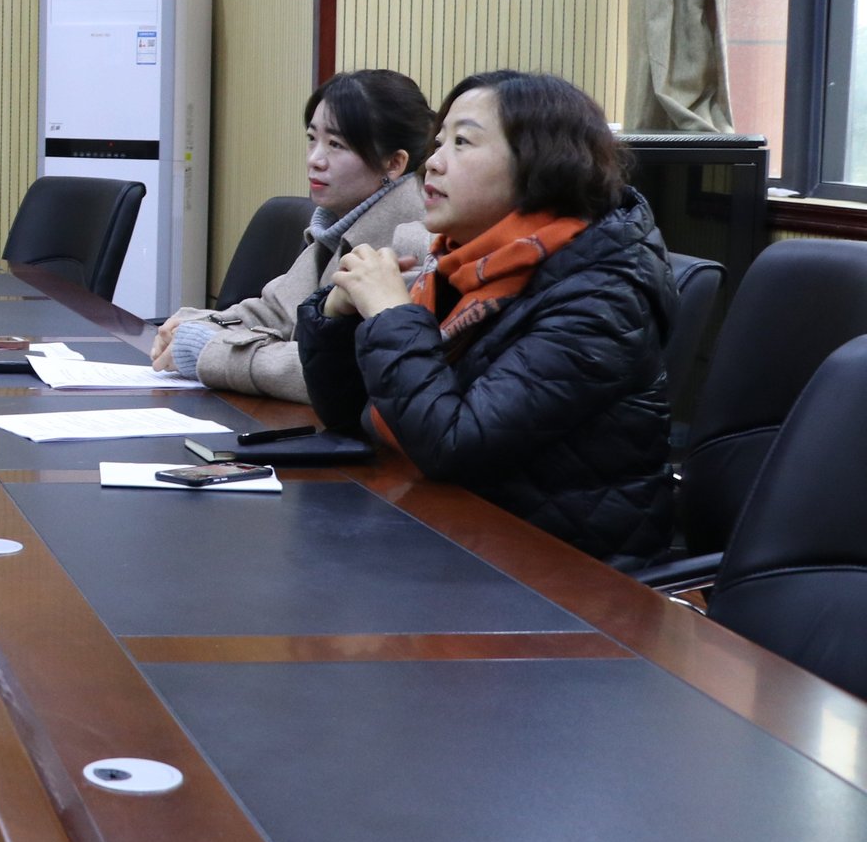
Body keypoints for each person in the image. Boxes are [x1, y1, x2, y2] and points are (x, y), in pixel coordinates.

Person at [296, 70, 673, 560]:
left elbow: (453, 445)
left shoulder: (602, 298)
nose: (433, 163)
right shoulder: (463, 264)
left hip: (561, 569)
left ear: (539, 164)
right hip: (451, 532)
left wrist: (390, 314)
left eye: (462, 143)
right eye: (438, 143)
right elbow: (353, 418)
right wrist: (337, 318)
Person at [150, 69, 434, 402]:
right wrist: (195, 323)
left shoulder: (415, 245)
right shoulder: (336, 225)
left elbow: (344, 372)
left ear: (394, 163)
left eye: (336, 145)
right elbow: (274, 312)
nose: (314, 159)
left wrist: (211, 351)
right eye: (312, 138)